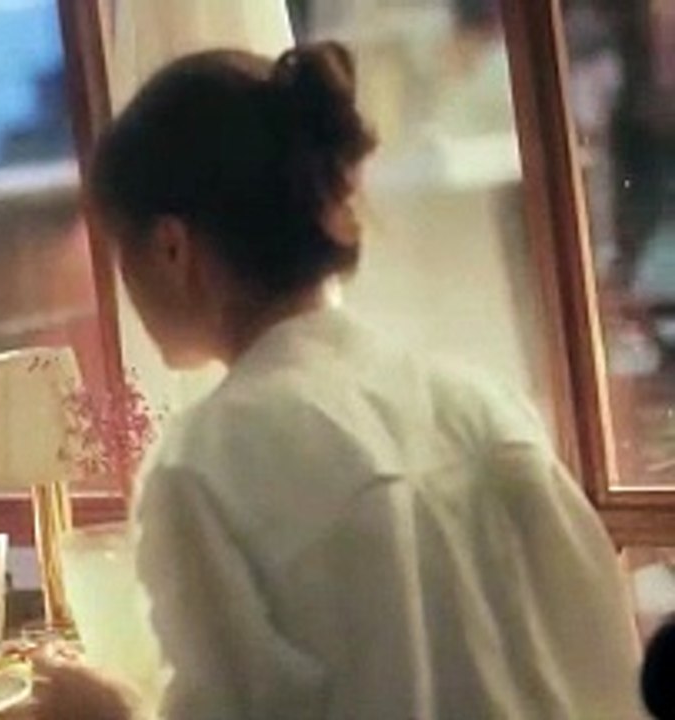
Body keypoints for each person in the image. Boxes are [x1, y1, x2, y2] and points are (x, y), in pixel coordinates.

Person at [33, 42, 644, 719]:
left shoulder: (200, 468)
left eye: (122, 251)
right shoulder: (477, 400)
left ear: (172, 249)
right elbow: (611, 681)